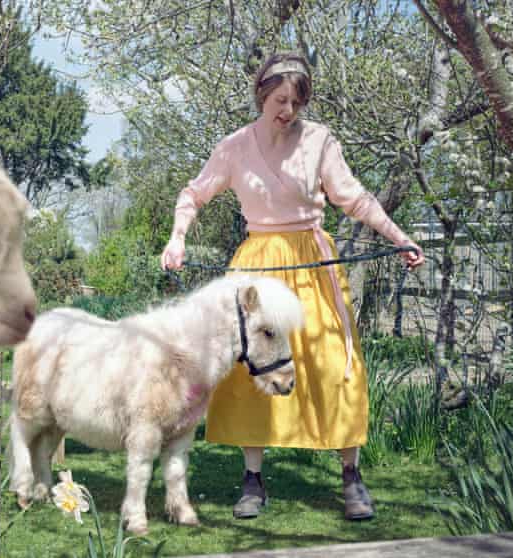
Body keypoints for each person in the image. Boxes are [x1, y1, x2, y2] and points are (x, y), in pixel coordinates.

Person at [160, 52, 425, 521]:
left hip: (311, 263)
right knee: (250, 372)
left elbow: (354, 198)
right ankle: (252, 481)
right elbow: (193, 193)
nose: (289, 110)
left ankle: (351, 475)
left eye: (297, 102)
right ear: (262, 95)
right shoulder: (235, 147)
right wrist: (177, 237)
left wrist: (398, 237)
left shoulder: (319, 140)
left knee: (333, 364)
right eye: (280, 100)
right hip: (258, 268)